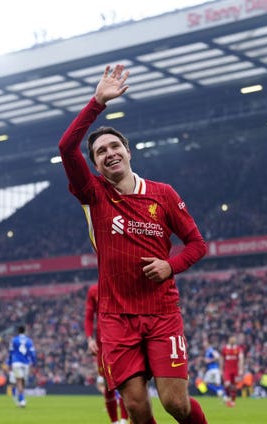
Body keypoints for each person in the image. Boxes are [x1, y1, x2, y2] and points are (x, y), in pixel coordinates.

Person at [58, 64, 208, 424]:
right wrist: (96, 103)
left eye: (114, 146)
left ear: (128, 151)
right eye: (100, 151)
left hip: (162, 314)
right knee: (137, 408)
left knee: (176, 404)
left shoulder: (163, 194)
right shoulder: (93, 193)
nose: (109, 153)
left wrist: (170, 266)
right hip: (115, 318)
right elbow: (66, 147)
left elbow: (197, 244)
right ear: (95, 163)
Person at [85, 283, 129, 424]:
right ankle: (115, 421)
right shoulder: (94, 290)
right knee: (108, 384)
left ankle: (123, 419)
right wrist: (89, 339)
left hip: (123, 339)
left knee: (124, 381)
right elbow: (89, 317)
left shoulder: (123, 286)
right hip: (102, 343)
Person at [8, 325, 37, 408]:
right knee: (23, 382)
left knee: (19, 381)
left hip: (16, 362)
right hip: (26, 363)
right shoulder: (29, 341)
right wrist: (34, 362)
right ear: (25, 331)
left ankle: (22, 400)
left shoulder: (14, 340)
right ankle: (22, 399)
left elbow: (11, 352)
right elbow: (32, 353)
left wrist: (10, 363)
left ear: (18, 331)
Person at [220, 335, 244, 407]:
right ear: (229, 341)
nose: (233, 342)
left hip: (235, 370)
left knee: (234, 386)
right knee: (227, 384)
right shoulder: (225, 349)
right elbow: (221, 359)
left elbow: (241, 359)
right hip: (227, 370)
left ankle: (233, 401)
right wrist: (221, 369)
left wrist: (241, 369)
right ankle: (227, 397)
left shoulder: (238, 349)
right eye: (232, 340)